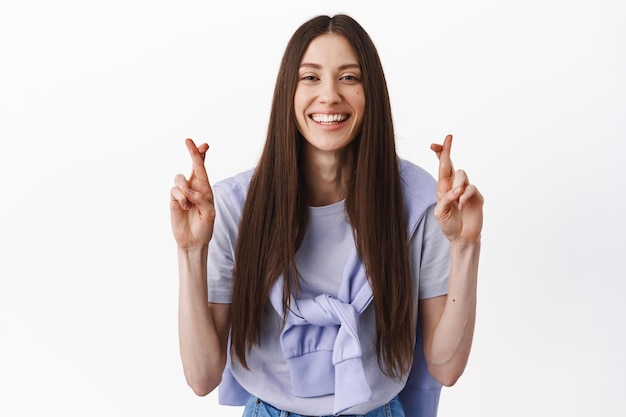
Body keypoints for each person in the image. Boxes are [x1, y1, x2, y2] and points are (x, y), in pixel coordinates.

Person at [170, 14, 483, 417]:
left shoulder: (420, 203)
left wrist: (465, 247)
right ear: (289, 92)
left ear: (371, 94)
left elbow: (446, 366)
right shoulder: (235, 207)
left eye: (349, 77)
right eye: (311, 78)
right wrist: (191, 250)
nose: (330, 95)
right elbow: (201, 377)